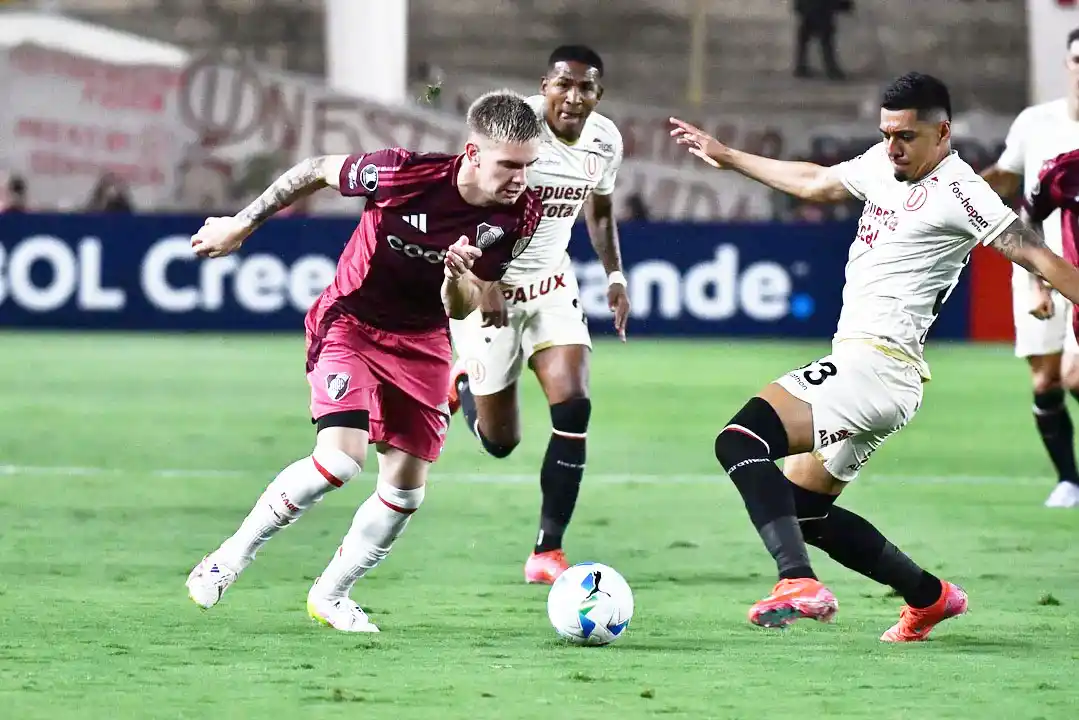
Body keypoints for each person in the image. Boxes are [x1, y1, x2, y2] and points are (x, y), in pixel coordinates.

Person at [669, 71, 1079, 641]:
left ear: (943, 134)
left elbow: (1034, 254)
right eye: (886, 133)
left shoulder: (962, 190)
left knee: (739, 440)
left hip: (874, 366)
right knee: (803, 511)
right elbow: (816, 182)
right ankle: (930, 598)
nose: (893, 147)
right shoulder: (884, 166)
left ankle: (797, 581)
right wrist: (728, 155)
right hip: (880, 373)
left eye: (906, 136)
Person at [185, 90, 544, 633]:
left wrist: (454, 277)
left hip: (424, 341)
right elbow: (314, 169)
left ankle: (331, 595)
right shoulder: (403, 174)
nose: (520, 177)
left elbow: (463, 304)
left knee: (405, 491)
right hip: (351, 322)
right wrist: (243, 222)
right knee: (341, 461)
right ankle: (229, 557)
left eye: (528, 165)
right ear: (472, 153)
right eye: (509, 165)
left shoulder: (520, 214)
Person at [446, 45, 630, 585]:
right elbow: (464, 205)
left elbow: (599, 208)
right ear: (544, 85)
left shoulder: (605, 140)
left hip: (552, 286)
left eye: (586, 88)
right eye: (562, 85)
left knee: (574, 406)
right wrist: (484, 282)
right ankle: (460, 379)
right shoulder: (514, 132)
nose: (573, 97)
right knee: (500, 443)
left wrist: (615, 276)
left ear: (599, 94)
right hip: (490, 289)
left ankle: (548, 551)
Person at [980, 27, 1079, 509]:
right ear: (1067, 64)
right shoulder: (1036, 122)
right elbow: (1008, 177)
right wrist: (955, 191)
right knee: (1045, 380)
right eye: (1078, 59)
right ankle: (1069, 480)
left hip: (1078, 274)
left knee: (1075, 374)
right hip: (1036, 260)